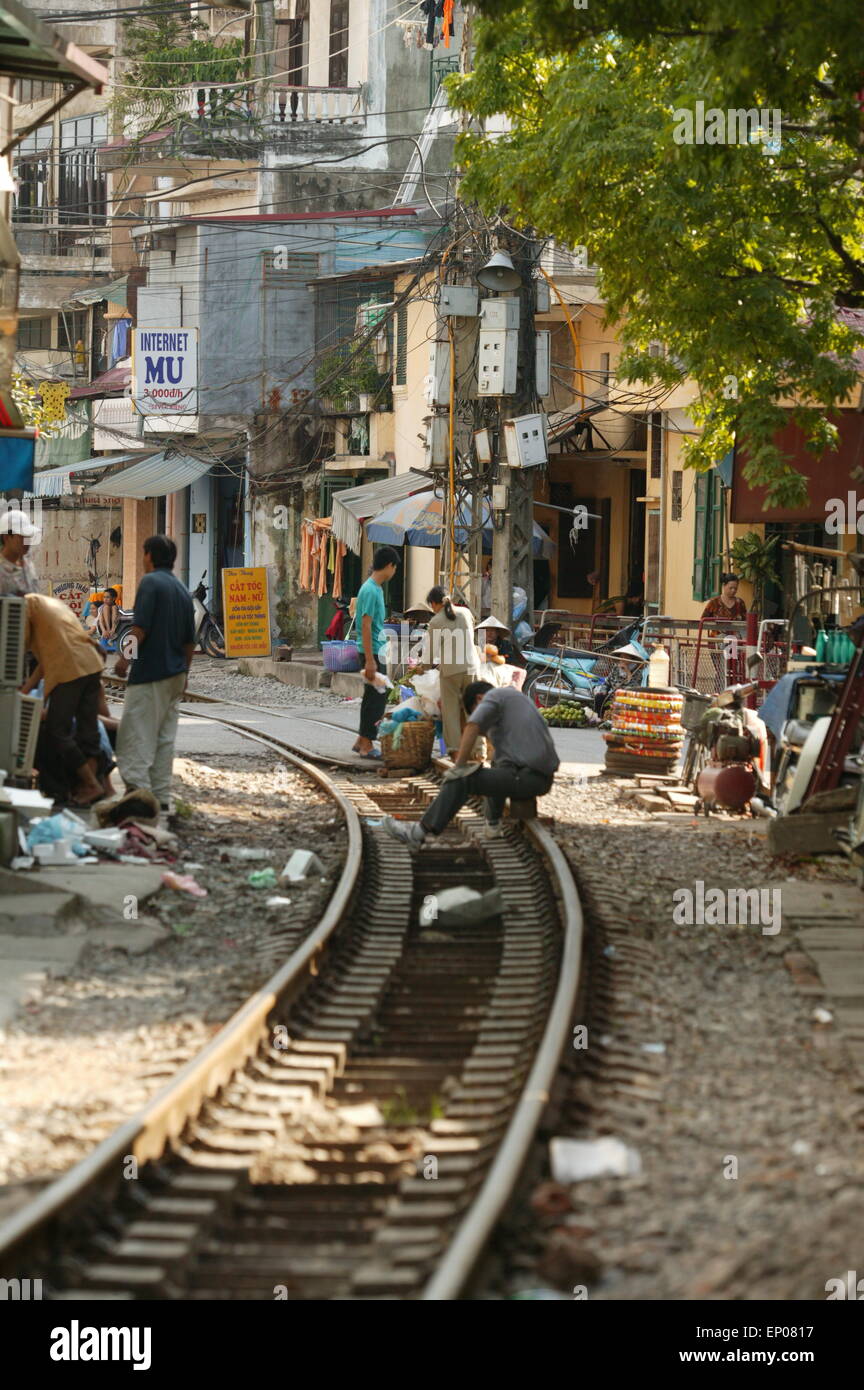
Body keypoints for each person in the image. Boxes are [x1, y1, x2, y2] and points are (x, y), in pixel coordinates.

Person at [383, 680, 560, 846]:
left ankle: (417, 833)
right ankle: (492, 825)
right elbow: (501, 762)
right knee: (497, 764)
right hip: (538, 778)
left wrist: (459, 766)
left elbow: (472, 726)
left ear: (479, 699)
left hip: (528, 777)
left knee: (462, 779)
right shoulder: (515, 700)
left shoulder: (493, 696)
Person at [114, 535, 195, 813]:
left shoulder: (150, 583)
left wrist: (124, 660)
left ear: (149, 555)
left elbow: (139, 630)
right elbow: (189, 642)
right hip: (175, 674)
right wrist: (185, 675)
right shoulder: (182, 589)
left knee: (135, 736)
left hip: (150, 673)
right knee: (163, 739)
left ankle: (136, 794)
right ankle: (160, 797)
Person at [22, 593, 105, 806]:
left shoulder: (25, 608)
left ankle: (90, 785)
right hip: (91, 662)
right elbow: (44, 661)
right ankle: (91, 788)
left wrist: (23, 692)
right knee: (89, 731)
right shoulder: (50, 605)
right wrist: (26, 690)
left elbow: (17, 649)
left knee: (56, 730)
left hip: (70, 669)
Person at [352, 546, 399, 759]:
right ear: (389, 566)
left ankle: (362, 739)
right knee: (377, 698)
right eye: (395, 567)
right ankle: (366, 744)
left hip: (377, 650)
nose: (394, 572)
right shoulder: (370, 590)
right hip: (370, 651)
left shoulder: (376, 588)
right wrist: (370, 660)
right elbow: (365, 625)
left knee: (374, 696)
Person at [422, 586, 481, 755]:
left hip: (451, 672)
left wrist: (422, 668)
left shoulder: (436, 621)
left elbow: (430, 653)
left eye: (431, 606)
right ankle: (478, 750)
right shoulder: (465, 613)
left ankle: (455, 750)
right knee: (474, 711)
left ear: (434, 604)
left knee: (451, 714)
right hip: (472, 668)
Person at [0, 508, 41, 596]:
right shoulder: (2, 569)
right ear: (7, 537)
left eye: (28, 536)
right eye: (22, 537)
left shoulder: (28, 565)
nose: (27, 541)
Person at [96, 587, 119, 651]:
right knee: (106, 607)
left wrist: (113, 629)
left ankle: (112, 634)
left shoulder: (116, 607)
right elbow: (100, 621)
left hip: (114, 629)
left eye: (107, 597)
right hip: (103, 628)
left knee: (114, 607)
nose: (105, 599)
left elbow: (117, 619)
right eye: (104, 597)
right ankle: (109, 633)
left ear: (114, 598)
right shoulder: (102, 607)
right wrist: (104, 630)